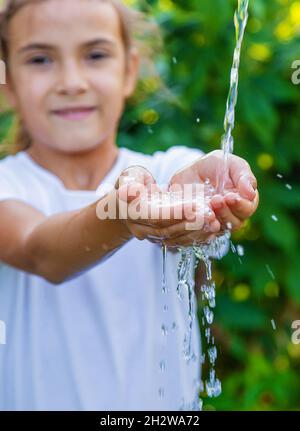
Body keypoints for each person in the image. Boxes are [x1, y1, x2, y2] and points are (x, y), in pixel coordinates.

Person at [0, 0, 259, 411]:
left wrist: (213, 197)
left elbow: (207, 209)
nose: (71, 81)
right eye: (40, 59)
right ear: (7, 82)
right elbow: (41, 251)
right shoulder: (7, 188)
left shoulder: (171, 172)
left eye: (96, 54)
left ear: (129, 70)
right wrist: (122, 217)